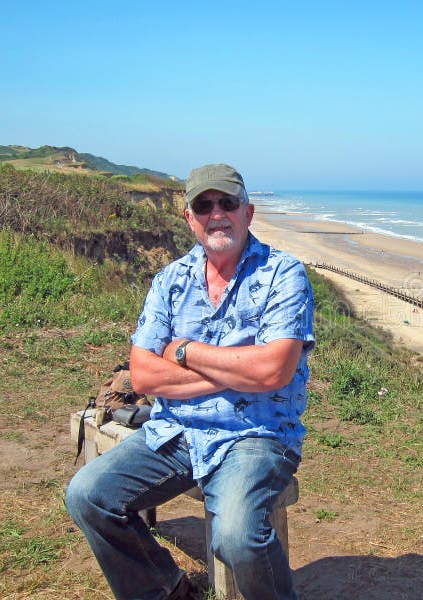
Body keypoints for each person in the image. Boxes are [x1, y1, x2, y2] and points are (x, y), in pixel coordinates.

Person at [66, 164, 315, 600]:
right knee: (88, 494)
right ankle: (167, 591)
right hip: (175, 431)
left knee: (236, 537)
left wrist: (183, 351)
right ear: (188, 217)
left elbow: (273, 371)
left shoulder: (283, 274)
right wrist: (238, 371)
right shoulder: (170, 280)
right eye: (204, 205)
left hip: (256, 434)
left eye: (227, 203)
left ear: (248, 212)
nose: (216, 213)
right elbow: (143, 375)